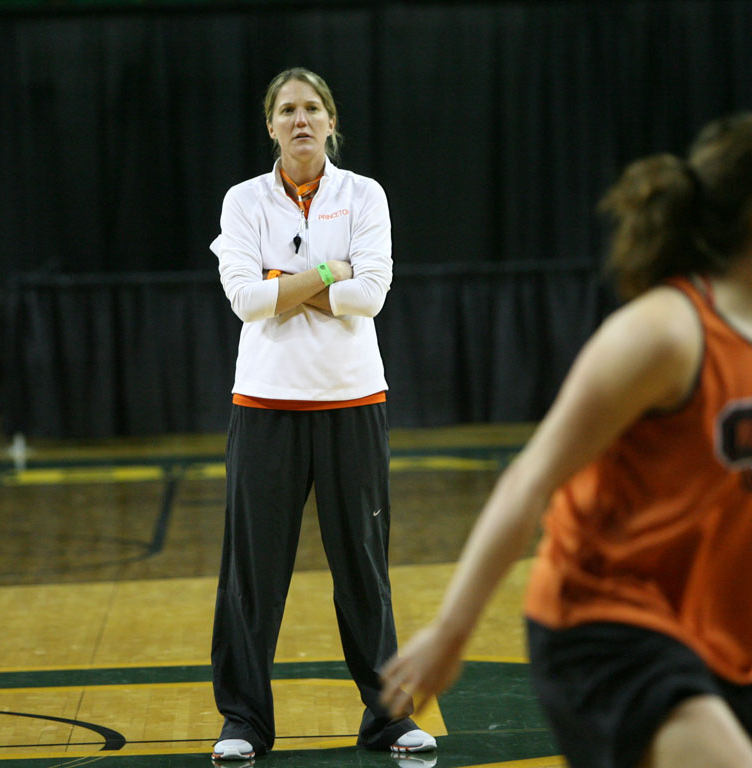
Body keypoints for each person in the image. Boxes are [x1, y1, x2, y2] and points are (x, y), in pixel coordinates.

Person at [380, 110, 752, 767]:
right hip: (602, 633)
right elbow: (529, 480)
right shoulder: (663, 334)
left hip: (719, 641)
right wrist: (451, 630)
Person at [208, 68, 435, 761]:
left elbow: (372, 293)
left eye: (312, 108)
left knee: (364, 570)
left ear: (332, 121)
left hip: (352, 402)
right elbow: (245, 300)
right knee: (253, 575)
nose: (299, 119)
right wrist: (330, 272)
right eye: (286, 109)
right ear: (269, 126)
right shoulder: (243, 201)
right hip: (265, 406)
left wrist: (286, 285)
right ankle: (243, 722)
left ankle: (390, 719)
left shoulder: (363, 194)